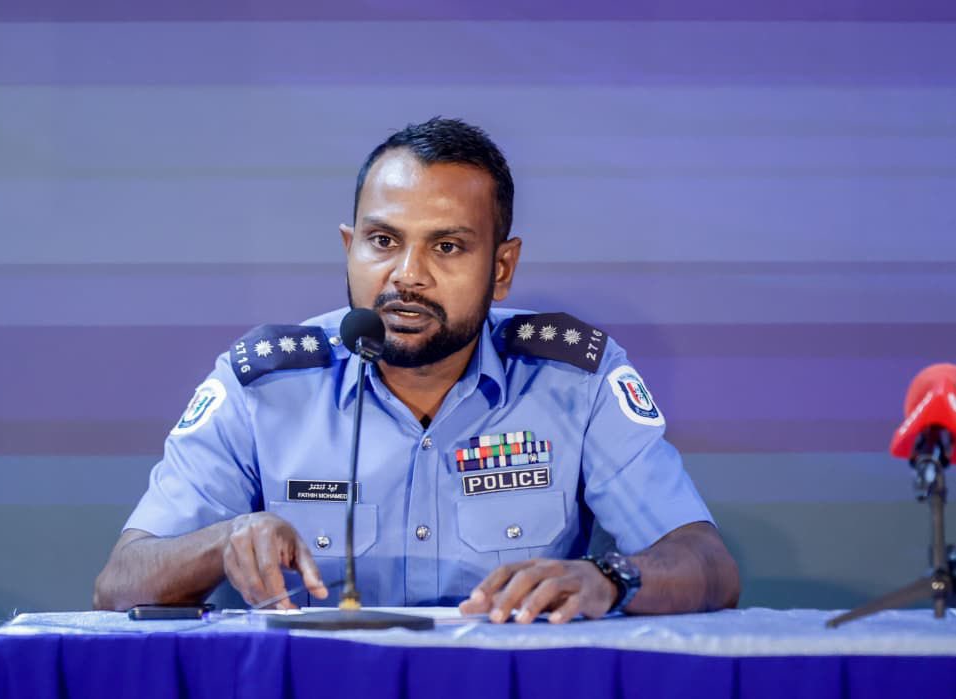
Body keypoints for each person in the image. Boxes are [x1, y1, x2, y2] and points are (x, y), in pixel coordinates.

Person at [94, 117, 740, 623]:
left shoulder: (574, 380)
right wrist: (224, 540)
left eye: (447, 246)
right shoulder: (262, 385)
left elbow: (707, 564)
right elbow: (119, 584)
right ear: (349, 247)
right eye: (383, 241)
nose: (407, 275)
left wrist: (608, 578)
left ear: (502, 267)